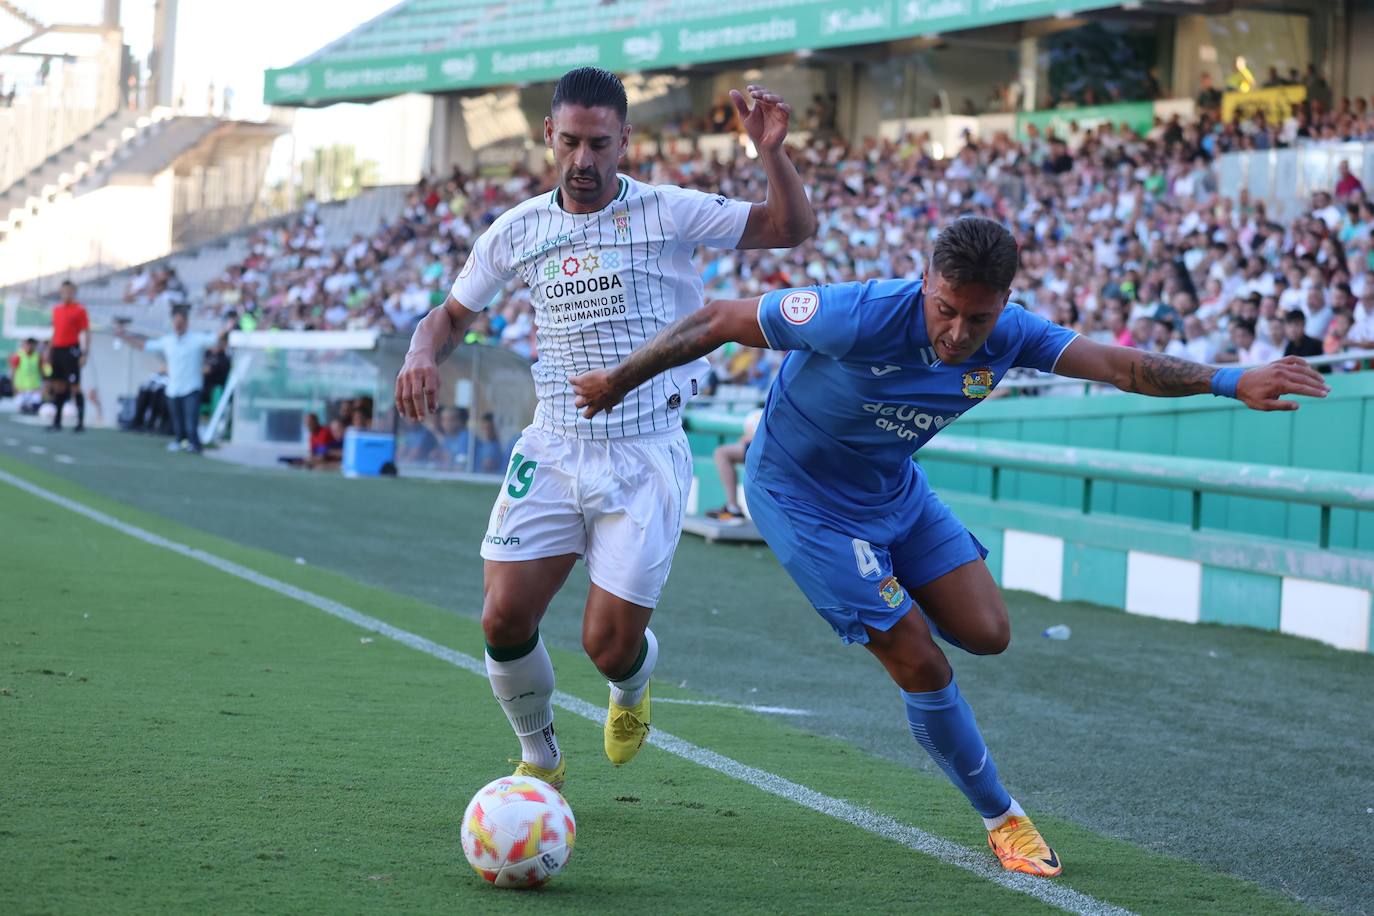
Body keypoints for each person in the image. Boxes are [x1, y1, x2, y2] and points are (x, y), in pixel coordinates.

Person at [570, 217, 1327, 878]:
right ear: (923, 278)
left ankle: (893, 618)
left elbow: (1118, 364)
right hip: (802, 499)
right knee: (920, 657)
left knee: (987, 634)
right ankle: (1004, 818)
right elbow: (716, 321)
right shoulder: (855, 313)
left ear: (1004, 302)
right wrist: (617, 380)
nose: (960, 333)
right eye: (947, 310)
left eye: (980, 318)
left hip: (893, 490)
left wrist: (1231, 379)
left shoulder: (1014, 333)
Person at [393, 67, 814, 790]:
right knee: (501, 618)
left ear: (626, 140)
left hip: (644, 453)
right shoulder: (518, 229)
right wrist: (420, 352)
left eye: (599, 144)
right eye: (570, 144)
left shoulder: (670, 212)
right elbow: (451, 316)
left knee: (607, 645)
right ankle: (540, 759)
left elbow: (789, 228)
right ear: (547, 137)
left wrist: (771, 154)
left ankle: (631, 686)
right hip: (554, 446)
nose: (583, 161)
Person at [116, 308, 234, 454]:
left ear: (186, 323)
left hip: (192, 387)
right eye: (176, 322)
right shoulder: (168, 341)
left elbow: (215, 338)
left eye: (181, 322)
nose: (178, 325)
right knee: (178, 423)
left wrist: (228, 326)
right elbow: (145, 346)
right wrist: (125, 337)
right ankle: (180, 441)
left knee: (191, 424)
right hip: (174, 388)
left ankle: (195, 445)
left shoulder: (196, 339)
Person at [704, 408, 763, 524]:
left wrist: (754, 438)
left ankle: (733, 508)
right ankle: (733, 508)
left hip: (770, 447)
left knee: (721, 453)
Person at [46, 281, 90, 432]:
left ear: (74, 292)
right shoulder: (57, 310)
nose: (66, 294)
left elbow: (85, 332)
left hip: (71, 350)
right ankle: (57, 422)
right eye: (64, 291)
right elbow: (55, 332)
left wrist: (84, 353)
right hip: (58, 350)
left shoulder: (80, 310)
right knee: (58, 385)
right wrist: (49, 352)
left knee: (74, 386)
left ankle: (80, 422)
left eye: (69, 291)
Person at [8, 337, 43, 414]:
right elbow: (12, 372)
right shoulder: (18, 356)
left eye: (32, 345)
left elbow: (42, 372)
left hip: (34, 389)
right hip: (21, 390)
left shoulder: (38, 357)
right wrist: (14, 387)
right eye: (28, 344)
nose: (30, 347)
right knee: (21, 407)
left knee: (36, 405)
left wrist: (41, 388)